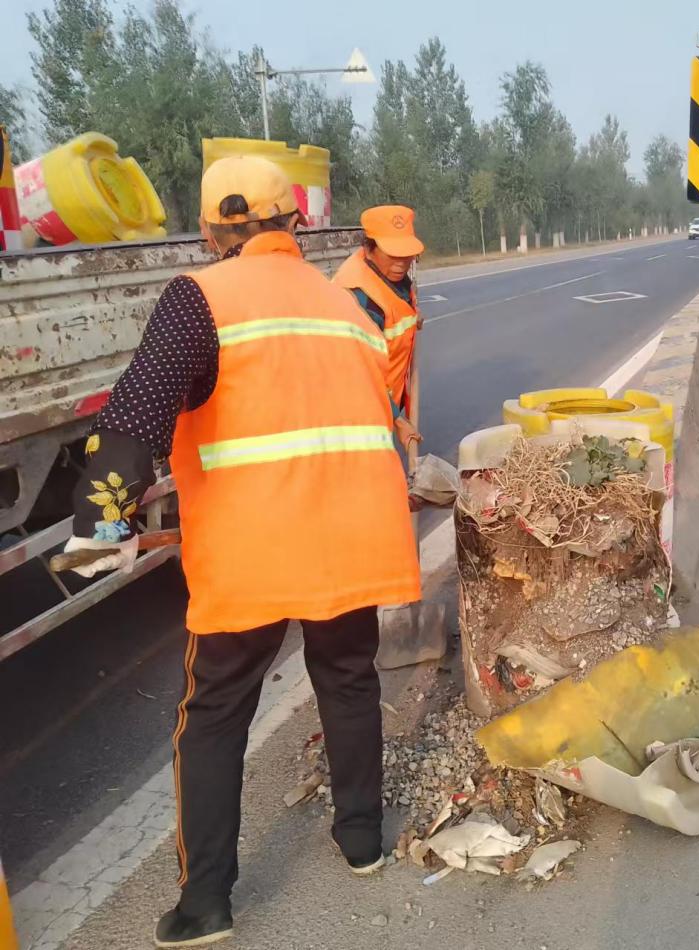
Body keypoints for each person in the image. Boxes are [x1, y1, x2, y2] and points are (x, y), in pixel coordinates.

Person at [64, 156, 420, 947]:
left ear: (208, 230)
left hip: (255, 550)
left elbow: (134, 423)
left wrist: (98, 538)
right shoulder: (343, 305)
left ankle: (204, 905)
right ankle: (362, 841)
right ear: (296, 222)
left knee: (216, 712)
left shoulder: (201, 297)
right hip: (350, 540)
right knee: (348, 680)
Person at [333, 205, 426, 460]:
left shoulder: (390, 275)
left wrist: (412, 319)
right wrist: (399, 421)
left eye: (406, 254)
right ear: (369, 248)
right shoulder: (358, 297)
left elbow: (395, 308)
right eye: (393, 254)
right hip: (354, 414)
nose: (401, 262)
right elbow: (362, 375)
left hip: (380, 404)